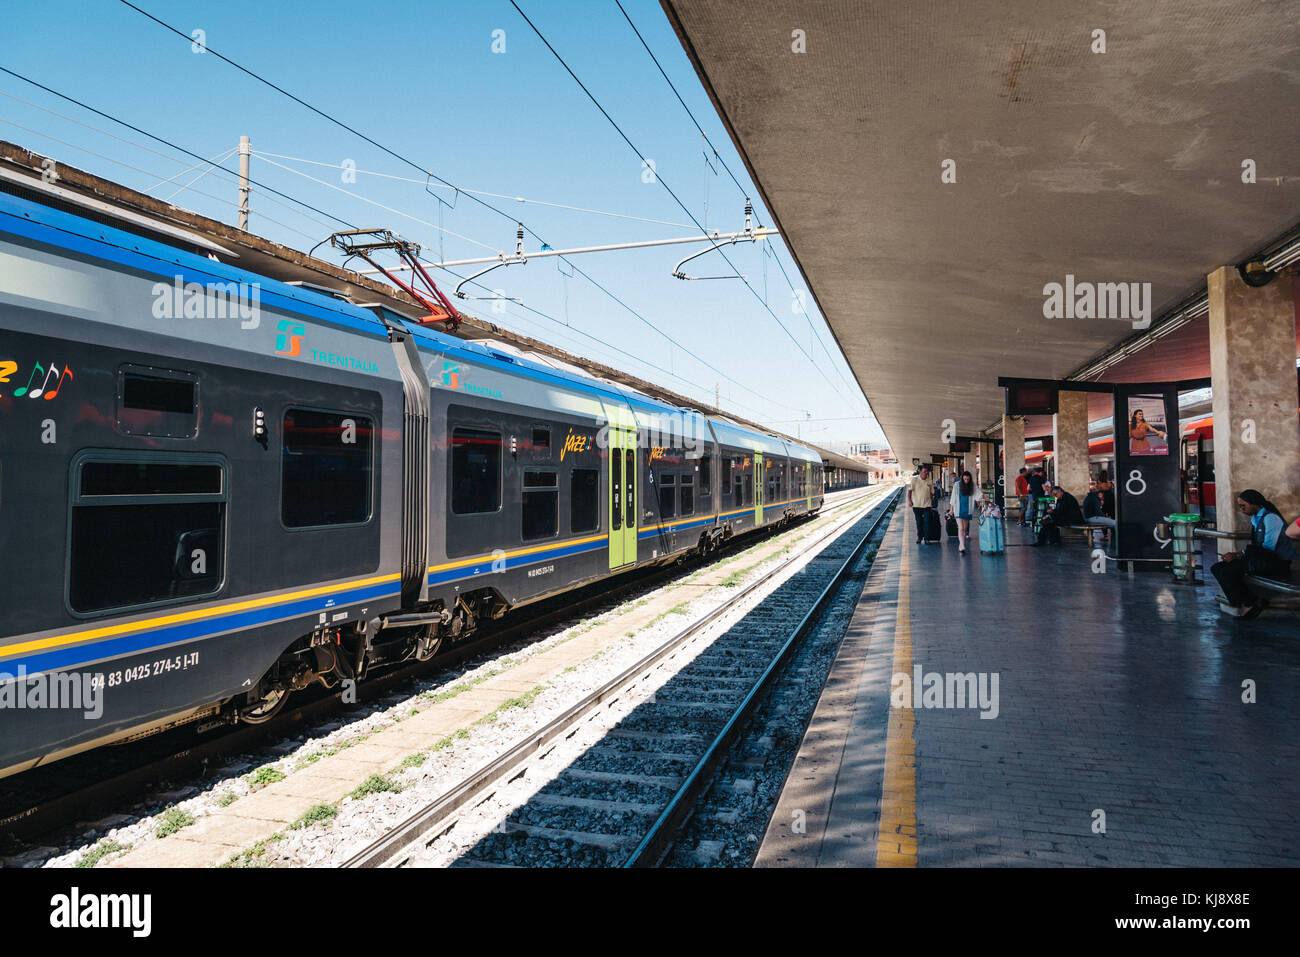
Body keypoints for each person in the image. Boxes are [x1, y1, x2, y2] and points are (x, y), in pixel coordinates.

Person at [1210, 489, 1295, 618]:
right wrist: (1238, 555)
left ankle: (1249, 602)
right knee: (1217, 567)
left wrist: (1238, 555)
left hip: (1277, 563)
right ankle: (1249, 600)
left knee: (1228, 571)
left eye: (1243, 506)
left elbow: (1268, 547)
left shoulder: (1271, 518)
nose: (1242, 510)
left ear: (1255, 503)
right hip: (1263, 559)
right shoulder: (1256, 519)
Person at [946, 470, 983, 554]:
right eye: (965, 479)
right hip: (958, 509)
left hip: (968, 509)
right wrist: (951, 510)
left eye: (968, 479)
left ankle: (962, 543)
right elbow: (953, 498)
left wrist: (982, 500)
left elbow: (978, 494)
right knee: (961, 528)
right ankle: (961, 545)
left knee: (965, 529)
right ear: (962, 478)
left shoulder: (972, 485)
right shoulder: (957, 485)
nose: (966, 481)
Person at [1082, 485, 1117, 552]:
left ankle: (1114, 541)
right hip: (1092, 518)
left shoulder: (1090, 497)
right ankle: (1117, 542)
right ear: (1100, 494)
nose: (1103, 498)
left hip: (1087, 517)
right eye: (1102, 496)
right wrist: (1105, 516)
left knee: (1112, 522)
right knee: (1114, 523)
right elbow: (1098, 512)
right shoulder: (1095, 498)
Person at [908, 465, 934, 544]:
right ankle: (919, 537)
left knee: (927, 522)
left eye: (927, 472)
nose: (926, 473)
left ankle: (926, 539)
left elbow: (932, 493)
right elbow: (909, 491)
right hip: (917, 505)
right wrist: (909, 501)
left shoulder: (929, 480)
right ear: (920, 472)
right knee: (919, 522)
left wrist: (931, 501)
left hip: (927, 505)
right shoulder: (914, 480)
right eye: (924, 472)